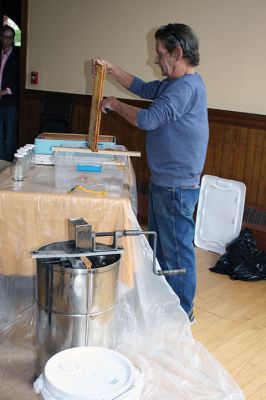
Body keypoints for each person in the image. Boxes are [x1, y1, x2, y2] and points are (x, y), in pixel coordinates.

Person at [92, 23, 209, 322]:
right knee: (161, 247)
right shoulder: (172, 84)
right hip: (166, 182)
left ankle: (183, 313)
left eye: (160, 54)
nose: (155, 60)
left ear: (178, 52)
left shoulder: (186, 87)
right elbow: (143, 88)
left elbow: (149, 119)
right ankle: (166, 302)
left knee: (177, 251)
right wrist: (112, 69)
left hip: (176, 186)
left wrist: (116, 105)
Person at [0, 25, 20, 161]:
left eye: (11, 37)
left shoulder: (18, 55)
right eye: (6, 37)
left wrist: (5, 91)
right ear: (1, 38)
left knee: (9, 137)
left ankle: (8, 164)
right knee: (0, 136)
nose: (8, 40)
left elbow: (20, 79)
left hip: (11, 102)